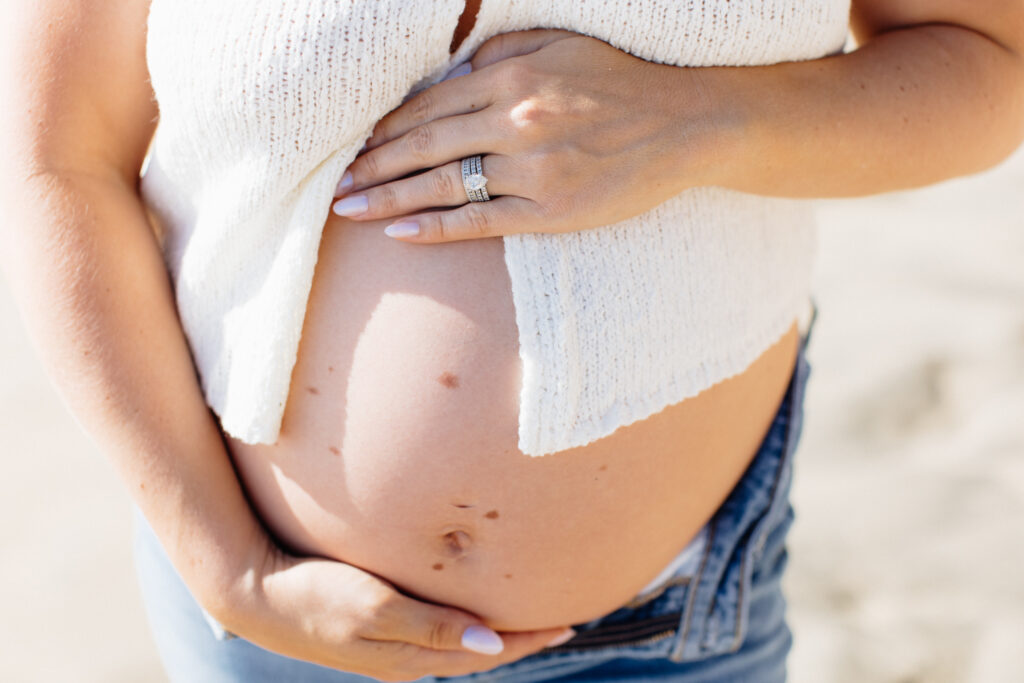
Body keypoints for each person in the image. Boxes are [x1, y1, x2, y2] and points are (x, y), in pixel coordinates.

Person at [1, 1, 1021, 682]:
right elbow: (61, 160)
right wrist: (227, 567)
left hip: (657, 629)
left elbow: (985, 65)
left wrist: (707, 119)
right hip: (269, 617)